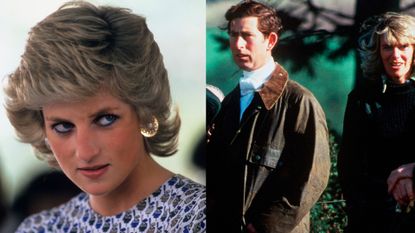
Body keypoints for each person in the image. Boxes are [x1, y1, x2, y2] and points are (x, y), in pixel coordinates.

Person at [3, 1, 206, 232]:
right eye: (62, 126)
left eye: (105, 119)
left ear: (144, 111)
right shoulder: (40, 228)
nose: (85, 152)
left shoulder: (198, 216)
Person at [207, 1, 331, 232]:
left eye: (247, 35)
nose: (238, 44)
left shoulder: (299, 102)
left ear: (270, 41)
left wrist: (266, 226)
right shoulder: (231, 102)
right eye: (234, 35)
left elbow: (312, 178)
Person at [338, 12, 415, 233]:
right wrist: (391, 187)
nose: (395, 55)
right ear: (378, 52)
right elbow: (349, 168)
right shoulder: (362, 100)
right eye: (387, 47)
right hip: (373, 219)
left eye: (403, 46)